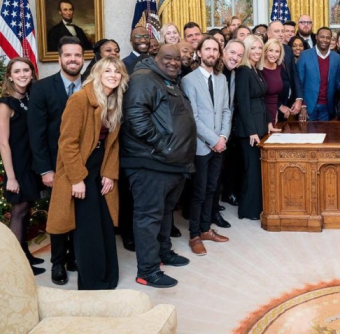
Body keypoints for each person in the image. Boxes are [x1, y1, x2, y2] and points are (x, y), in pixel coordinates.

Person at [46, 57, 128, 290]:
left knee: (104, 224)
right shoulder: (80, 99)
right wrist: (77, 179)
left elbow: (112, 144)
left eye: (118, 71)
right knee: (87, 229)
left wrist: (110, 174)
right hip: (79, 169)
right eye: (108, 70)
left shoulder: (114, 101)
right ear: (98, 73)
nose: (113, 74)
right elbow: (67, 143)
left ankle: (108, 276)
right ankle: (92, 282)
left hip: (100, 168)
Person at [121, 44, 196, 289]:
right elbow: (136, 118)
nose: (174, 62)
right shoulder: (144, 79)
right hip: (151, 162)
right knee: (148, 217)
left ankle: (164, 253)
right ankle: (147, 271)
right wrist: (164, 145)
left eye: (177, 59)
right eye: (168, 58)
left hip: (171, 163)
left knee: (165, 213)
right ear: (156, 57)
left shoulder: (169, 80)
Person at [29, 36, 83, 285]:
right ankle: (58, 263)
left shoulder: (92, 86)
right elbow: (36, 133)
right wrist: (45, 170)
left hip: (86, 166)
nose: (73, 59)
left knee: (82, 214)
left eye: (78, 55)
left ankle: (75, 257)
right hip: (56, 166)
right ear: (60, 58)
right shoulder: (42, 88)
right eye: (68, 55)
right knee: (60, 215)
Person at [181, 36, 232, 256]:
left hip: (220, 144)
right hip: (202, 146)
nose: (211, 53)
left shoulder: (221, 79)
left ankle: (205, 229)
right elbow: (192, 117)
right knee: (199, 192)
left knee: (212, 189)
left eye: (215, 49)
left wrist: (223, 137)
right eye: (207, 49)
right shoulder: (189, 80)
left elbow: (226, 111)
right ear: (199, 53)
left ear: (218, 54)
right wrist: (213, 140)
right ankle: (194, 235)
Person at [0, 58, 44, 275]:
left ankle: (24, 254)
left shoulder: (30, 98)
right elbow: (3, 143)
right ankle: (15, 265)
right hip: (17, 166)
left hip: (31, 164)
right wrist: (11, 177)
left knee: (27, 210)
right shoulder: (5, 104)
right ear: (10, 76)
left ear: (32, 73)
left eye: (26, 70)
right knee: (19, 211)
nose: (23, 74)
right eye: (17, 71)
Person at [235, 35, 269, 220]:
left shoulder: (256, 70)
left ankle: (256, 207)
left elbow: (261, 100)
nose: (257, 52)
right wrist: (252, 131)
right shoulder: (243, 71)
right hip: (249, 130)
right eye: (253, 48)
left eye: (259, 48)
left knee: (256, 169)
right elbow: (243, 104)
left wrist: (269, 122)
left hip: (260, 126)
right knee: (252, 170)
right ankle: (248, 211)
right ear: (247, 50)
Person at [213, 39, 245, 217]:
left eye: (240, 55)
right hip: (213, 131)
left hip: (227, 127)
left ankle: (217, 205)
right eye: (232, 53)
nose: (235, 58)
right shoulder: (216, 72)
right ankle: (212, 211)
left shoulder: (234, 72)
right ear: (223, 51)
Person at [295, 27, 340, 121]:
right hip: (308, 107)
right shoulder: (304, 55)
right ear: (316, 37)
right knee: (309, 135)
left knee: (326, 135)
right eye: (322, 37)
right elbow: (299, 83)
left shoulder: (337, 58)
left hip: (327, 107)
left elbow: (338, 80)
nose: (325, 40)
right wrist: (303, 106)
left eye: (328, 37)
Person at [260, 38, 292, 125]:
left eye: (277, 51)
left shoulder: (279, 67)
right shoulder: (259, 68)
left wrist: (278, 108)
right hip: (261, 112)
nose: (273, 54)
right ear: (265, 51)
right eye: (271, 50)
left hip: (275, 111)